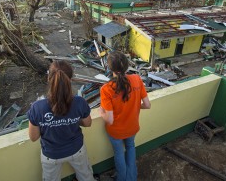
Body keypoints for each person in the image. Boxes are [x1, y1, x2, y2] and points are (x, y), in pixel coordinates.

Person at [27, 60, 95, 181]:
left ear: (49, 78)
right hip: (76, 150)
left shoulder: (37, 107)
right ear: (71, 79)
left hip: (51, 156)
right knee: (86, 177)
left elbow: (33, 137)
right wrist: (73, 119)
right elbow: (88, 123)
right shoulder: (79, 102)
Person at [100, 51, 151, 181]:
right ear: (127, 66)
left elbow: (109, 119)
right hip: (132, 127)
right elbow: (147, 105)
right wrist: (134, 106)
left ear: (109, 67)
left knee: (119, 153)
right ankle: (132, 177)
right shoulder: (137, 79)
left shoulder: (106, 89)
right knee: (130, 147)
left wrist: (101, 112)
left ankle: (122, 178)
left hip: (116, 131)